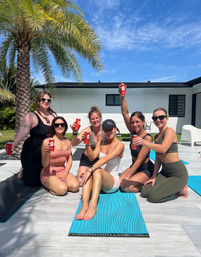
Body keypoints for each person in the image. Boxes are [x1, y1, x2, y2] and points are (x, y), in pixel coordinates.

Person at [133, 107, 188, 202]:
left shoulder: (169, 131)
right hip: (165, 172)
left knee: (153, 197)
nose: (158, 120)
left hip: (177, 173)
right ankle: (173, 186)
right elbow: (158, 158)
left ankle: (181, 187)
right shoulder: (157, 136)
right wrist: (153, 176)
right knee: (145, 192)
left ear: (167, 118)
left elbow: (163, 149)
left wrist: (144, 142)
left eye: (161, 117)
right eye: (155, 118)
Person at [75, 119, 124, 221]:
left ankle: (93, 205)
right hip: (99, 181)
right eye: (105, 130)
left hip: (111, 182)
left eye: (110, 129)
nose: (108, 132)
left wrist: (90, 170)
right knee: (91, 170)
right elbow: (92, 157)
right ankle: (84, 206)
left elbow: (106, 158)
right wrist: (87, 144)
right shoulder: (101, 142)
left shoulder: (120, 145)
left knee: (94, 170)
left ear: (115, 129)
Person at [11, 91, 56, 186]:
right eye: (43, 99)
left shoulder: (53, 115)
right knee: (33, 183)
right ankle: (24, 169)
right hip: (33, 151)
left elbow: (59, 130)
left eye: (49, 100)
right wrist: (14, 144)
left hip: (48, 151)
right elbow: (23, 130)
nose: (46, 101)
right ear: (38, 101)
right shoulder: (31, 116)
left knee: (47, 178)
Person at [118, 83, 154, 193]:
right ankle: (136, 180)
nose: (134, 125)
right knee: (118, 183)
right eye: (132, 122)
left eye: (137, 122)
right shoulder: (133, 132)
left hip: (145, 168)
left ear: (143, 122)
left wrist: (128, 176)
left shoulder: (147, 138)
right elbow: (125, 113)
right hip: (134, 166)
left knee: (127, 187)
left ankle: (146, 185)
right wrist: (122, 95)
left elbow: (139, 161)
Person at [40, 117, 79, 195]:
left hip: (62, 171)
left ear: (65, 126)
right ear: (53, 127)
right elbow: (44, 165)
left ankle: (58, 184)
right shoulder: (47, 141)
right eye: (57, 125)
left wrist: (65, 174)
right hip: (49, 173)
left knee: (75, 187)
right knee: (62, 190)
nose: (60, 126)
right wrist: (47, 153)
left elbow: (70, 160)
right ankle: (51, 185)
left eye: (62, 124)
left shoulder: (67, 142)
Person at [71, 106, 104, 184]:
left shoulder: (105, 131)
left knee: (99, 181)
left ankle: (91, 175)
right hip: (86, 160)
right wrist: (75, 133)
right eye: (93, 119)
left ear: (100, 118)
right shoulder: (87, 130)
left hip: (99, 160)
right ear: (90, 120)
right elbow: (74, 143)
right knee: (80, 181)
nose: (95, 120)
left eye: (97, 118)